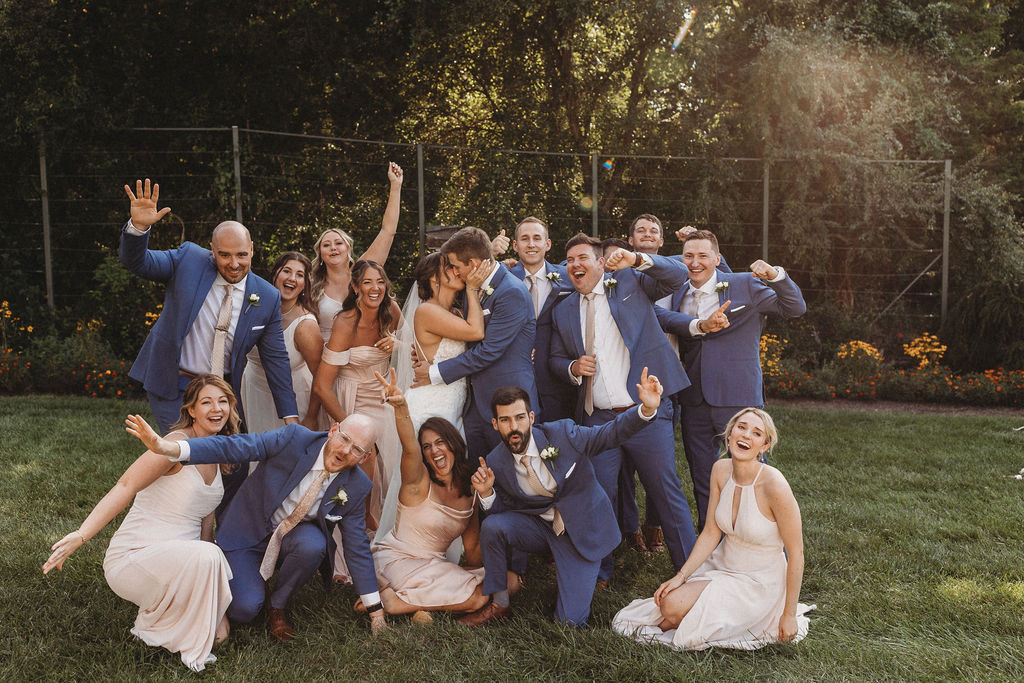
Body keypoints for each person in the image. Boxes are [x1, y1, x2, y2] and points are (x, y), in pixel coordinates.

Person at [124, 413, 387, 641]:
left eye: (356, 450)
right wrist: (172, 449)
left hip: (292, 538)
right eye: (344, 439)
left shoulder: (356, 485)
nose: (344, 451)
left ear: (364, 458)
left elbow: (357, 547)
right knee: (244, 610)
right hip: (248, 531)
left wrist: (375, 612)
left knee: (314, 545)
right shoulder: (294, 438)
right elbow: (236, 446)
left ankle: (278, 604)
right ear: (333, 430)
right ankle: (236, 579)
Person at [43, 375, 238, 671]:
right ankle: (158, 615)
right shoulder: (172, 445)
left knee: (221, 635)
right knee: (210, 555)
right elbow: (125, 485)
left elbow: (205, 520)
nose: (217, 408)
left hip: (183, 558)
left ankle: (168, 610)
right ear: (192, 409)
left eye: (223, 401)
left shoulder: (218, 449)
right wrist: (81, 535)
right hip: (136, 556)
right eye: (207, 402)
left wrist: (211, 583)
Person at [457, 371, 662, 628]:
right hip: (541, 528)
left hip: (580, 529)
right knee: (493, 526)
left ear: (531, 418)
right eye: (505, 420)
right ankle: (499, 604)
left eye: (520, 418)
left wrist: (645, 409)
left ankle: (586, 572)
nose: (514, 427)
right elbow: (505, 510)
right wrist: (487, 494)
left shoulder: (563, 434)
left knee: (569, 624)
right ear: (495, 424)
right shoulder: (496, 461)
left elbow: (609, 434)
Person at [549, 234, 697, 588]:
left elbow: (677, 275)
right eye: (569, 260)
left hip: (646, 412)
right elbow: (554, 359)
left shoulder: (628, 282)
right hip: (599, 420)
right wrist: (571, 368)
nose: (575, 265)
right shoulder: (564, 309)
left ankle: (691, 573)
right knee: (599, 496)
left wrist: (637, 259)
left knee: (665, 490)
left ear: (601, 263)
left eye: (583, 257)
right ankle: (599, 572)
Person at [612, 408, 812, 650]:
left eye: (756, 433)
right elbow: (711, 532)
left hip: (760, 582)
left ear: (764, 446)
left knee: (671, 611)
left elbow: (797, 553)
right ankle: (680, 620)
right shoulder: (720, 470)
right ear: (729, 434)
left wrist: (788, 614)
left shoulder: (774, 485)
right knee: (669, 603)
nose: (746, 435)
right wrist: (681, 576)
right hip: (723, 566)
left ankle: (676, 624)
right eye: (741, 427)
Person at [118, 179, 298, 435]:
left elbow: (276, 359)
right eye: (225, 255)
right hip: (175, 382)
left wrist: (291, 417)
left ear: (252, 250)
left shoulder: (267, 297)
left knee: (233, 467)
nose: (234, 264)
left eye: (241, 255)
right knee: (182, 453)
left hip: (221, 392)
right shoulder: (188, 260)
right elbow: (139, 263)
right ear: (212, 251)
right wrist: (138, 227)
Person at [655, 229, 806, 530]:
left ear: (717, 258)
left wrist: (775, 275)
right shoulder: (680, 292)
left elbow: (794, 308)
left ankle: (759, 535)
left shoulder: (743, 285)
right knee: (702, 475)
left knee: (752, 474)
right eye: (688, 256)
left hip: (738, 397)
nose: (694, 263)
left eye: (702, 256)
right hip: (694, 398)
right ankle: (710, 539)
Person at [369, 369, 523, 620]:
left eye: (440, 442)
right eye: (427, 446)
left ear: (453, 444)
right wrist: (400, 406)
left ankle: (418, 605)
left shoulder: (470, 492)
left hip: (433, 567)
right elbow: (409, 447)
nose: (434, 451)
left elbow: (472, 547)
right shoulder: (417, 483)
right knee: (477, 598)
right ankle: (394, 603)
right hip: (397, 561)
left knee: (510, 580)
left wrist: (470, 577)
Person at [618, 215, 731, 553]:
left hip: (670, 375)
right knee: (622, 461)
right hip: (627, 374)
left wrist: (699, 240)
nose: (648, 235)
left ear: (663, 240)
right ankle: (628, 528)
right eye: (641, 230)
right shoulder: (619, 274)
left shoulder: (679, 273)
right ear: (630, 238)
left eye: (654, 230)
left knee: (660, 457)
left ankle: (655, 524)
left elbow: (719, 276)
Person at [416, 227, 538, 460]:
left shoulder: (511, 292)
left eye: (454, 266)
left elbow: (488, 351)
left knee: (511, 474)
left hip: (507, 404)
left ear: (472, 263)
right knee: (480, 474)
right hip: (473, 404)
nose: (453, 271)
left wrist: (435, 372)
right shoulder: (471, 288)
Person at [394, 251, 489, 433]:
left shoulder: (458, 313)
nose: (457, 271)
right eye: (450, 267)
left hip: (457, 405)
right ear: (433, 277)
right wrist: (472, 288)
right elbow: (476, 331)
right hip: (431, 404)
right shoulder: (426, 310)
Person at [311, 162, 404, 342]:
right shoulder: (311, 285)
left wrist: (395, 187)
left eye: (338, 243)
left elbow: (388, 231)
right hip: (325, 358)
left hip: (362, 354)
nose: (333, 248)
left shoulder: (363, 272)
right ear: (320, 254)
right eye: (326, 245)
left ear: (348, 249)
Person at [241, 251, 323, 432]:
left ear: (305, 284)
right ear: (275, 274)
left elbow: (321, 376)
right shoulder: (252, 306)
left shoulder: (305, 325)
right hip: (253, 390)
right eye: (286, 271)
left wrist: (311, 417)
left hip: (296, 398)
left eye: (299, 275)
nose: (292, 278)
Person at [507, 217, 575, 422]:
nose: (531, 244)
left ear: (547, 244)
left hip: (558, 377)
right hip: (516, 375)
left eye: (537, 238)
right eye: (525, 238)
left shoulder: (569, 277)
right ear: (515, 245)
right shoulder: (504, 278)